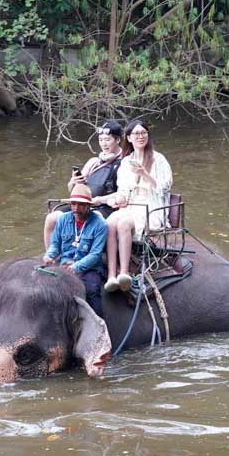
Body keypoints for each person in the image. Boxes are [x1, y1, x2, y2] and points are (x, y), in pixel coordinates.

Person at [103, 118, 174, 293]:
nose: (140, 136)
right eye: (136, 133)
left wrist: (144, 174)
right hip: (131, 206)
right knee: (110, 222)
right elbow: (124, 191)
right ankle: (112, 275)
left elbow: (165, 188)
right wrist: (115, 199)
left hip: (151, 206)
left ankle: (124, 273)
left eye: (144, 133)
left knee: (124, 224)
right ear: (128, 137)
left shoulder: (159, 159)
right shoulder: (127, 162)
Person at [41, 121, 124, 250]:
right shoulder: (93, 162)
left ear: (118, 139)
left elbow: (124, 193)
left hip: (106, 207)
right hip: (83, 203)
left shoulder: (125, 163)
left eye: (107, 140)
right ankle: (51, 256)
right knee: (51, 218)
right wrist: (74, 181)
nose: (103, 144)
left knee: (91, 221)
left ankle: (82, 255)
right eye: (101, 140)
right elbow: (72, 190)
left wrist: (99, 200)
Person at [45, 184, 109, 317]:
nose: (76, 208)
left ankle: (100, 324)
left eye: (81, 205)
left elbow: (95, 254)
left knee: (92, 290)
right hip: (65, 263)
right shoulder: (63, 219)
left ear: (88, 206)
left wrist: (76, 267)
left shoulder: (100, 224)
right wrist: (49, 255)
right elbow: (55, 245)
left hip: (89, 268)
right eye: (73, 204)